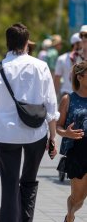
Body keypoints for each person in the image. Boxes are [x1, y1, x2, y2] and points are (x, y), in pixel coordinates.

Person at [0, 23, 58, 222]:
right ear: (27, 43)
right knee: (29, 181)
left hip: (7, 134)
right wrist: (53, 136)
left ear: (7, 43)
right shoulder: (41, 66)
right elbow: (50, 103)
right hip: (37, 132)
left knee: (9, 184)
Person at [56, 60, 87, 222]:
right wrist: (66, 133)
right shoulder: (68, 99)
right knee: (78, 199)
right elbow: (58, 127)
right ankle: (70, 216)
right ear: (80, 77)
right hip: (78, 151)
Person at [54, 33, 82, 97]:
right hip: (66, 94)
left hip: (81, 95)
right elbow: (57, 79)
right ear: (74, 44)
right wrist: (55, 96)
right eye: (78, 43)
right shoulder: (61, 59)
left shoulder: (84, 58)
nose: (81, 46)